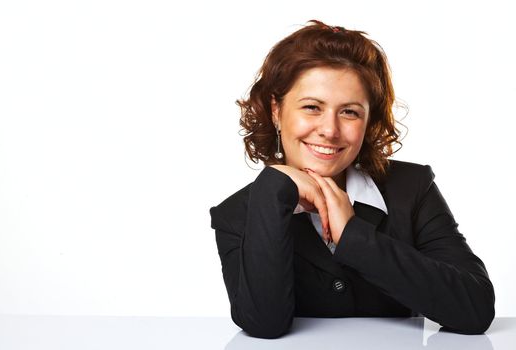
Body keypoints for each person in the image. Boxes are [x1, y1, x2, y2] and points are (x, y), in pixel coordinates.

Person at [209, 20, 495, 339]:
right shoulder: (235, 215)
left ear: (368, 120)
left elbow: (475, 308)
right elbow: (263, 323)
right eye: (312, 107)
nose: (330, 130)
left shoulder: (411, 188)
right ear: (277, 110)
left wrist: (353, 236)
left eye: (349, 112)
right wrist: (274, 187)